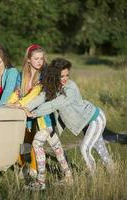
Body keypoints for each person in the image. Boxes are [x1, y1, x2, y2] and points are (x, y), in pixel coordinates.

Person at [24, 58, 114, 176]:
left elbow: (54, 104)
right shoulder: (54, 86)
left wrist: (34, 113)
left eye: (67, 75)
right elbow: (41, 97)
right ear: (55, 76)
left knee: (84, 149)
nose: (65, 78)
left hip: (95, 119)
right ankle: (113, 171)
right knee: (100, 148)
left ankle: (93, 177)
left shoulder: (70, 88)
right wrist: (25, 108)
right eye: (62, 76)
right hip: (85, 122)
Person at [8, 45, 72, 190]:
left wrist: (19, 105)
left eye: (41, 59)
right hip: (28, 117)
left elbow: (37, 96)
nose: (39, 61)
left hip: (44, 117)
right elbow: (17, 92)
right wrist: (10, 103)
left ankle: (41, 181)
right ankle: (68, 176)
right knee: (56, 147)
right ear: (28, 60)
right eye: (36, 59)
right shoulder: (22, 75)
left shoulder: (44, 76)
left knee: (37, 144)